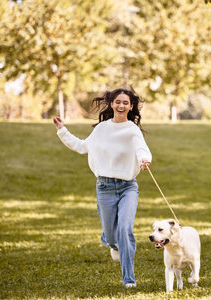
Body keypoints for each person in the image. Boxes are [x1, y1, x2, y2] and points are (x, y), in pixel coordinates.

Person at [53, 87, 152, 288]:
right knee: (112, 234)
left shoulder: (132, 129)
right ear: (112, 104)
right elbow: (81, 147)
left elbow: (141, 147)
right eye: (118, 102)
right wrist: (62, 130)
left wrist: (144, 159)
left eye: (126, 103)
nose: (121, 105)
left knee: (125, 229)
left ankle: (129, 280)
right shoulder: (102, 129)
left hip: (128, 188)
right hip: (105, 187)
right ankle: (111, 241)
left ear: (131, 106)